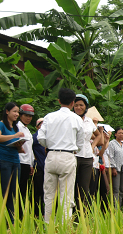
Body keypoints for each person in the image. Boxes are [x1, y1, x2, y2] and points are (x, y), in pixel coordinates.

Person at [38, 88, 85, 223]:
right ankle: (65, 230)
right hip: (68, 156)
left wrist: (49, 145)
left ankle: (48, 227)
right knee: (67, 195)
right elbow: (80, 142)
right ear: (72, 102)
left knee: (49, 195)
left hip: (51, 155)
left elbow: (41, 137)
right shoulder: (76, 119)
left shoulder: (49, 117)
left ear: (59, 101)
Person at [0, 102, 25, 224]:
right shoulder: (1, 124)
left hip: (15, 161)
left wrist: (19, 145)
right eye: (15, 111)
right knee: (3, 191)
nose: (17, 114)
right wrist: (14, 136)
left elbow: (19, 149)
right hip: (4, 161)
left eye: (18, 112)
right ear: (7, 111)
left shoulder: (14, 128)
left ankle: (11, 222)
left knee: (13, 192)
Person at [73, 94, 98, 210]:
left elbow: (98, 136)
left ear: (85, 107)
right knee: (71, 185)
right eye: (76, 105)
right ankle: (68, 213)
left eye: (81, 105)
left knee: (84, 187)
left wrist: (92, 145)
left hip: (87, 156)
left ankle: (82, 215)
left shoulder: (89, 120)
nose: (78, 107)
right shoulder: (70, 118)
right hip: (73, 155)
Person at [108, 128, 123, 207]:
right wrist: (113, 167)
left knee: (122, 189)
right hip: (117, 168)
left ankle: (119, 206)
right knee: (116, 189)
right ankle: (114, 208)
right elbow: (110, 156)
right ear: (115, 134)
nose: (121, 135)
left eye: (122, 133)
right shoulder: (112, 143)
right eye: (119, 133)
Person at [17, 104, 35, 214]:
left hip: (26, 163)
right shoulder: (17, 127)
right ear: (20, 115)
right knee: (17, 189)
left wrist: (31, 164)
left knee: (23, 189)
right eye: (26, 115)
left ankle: (19, 213)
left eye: (30, 116)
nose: (28, 118)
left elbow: (30, 149)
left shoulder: (27, 130)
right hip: (19, 161)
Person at [32, 118, 46, 217]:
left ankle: (45, 213)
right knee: (38, 191)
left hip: (48, 168)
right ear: (37, 126)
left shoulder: (49, 137)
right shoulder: (35, 137)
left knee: (47, 192)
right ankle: (37, 213)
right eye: (42, 124)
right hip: (38, 167)